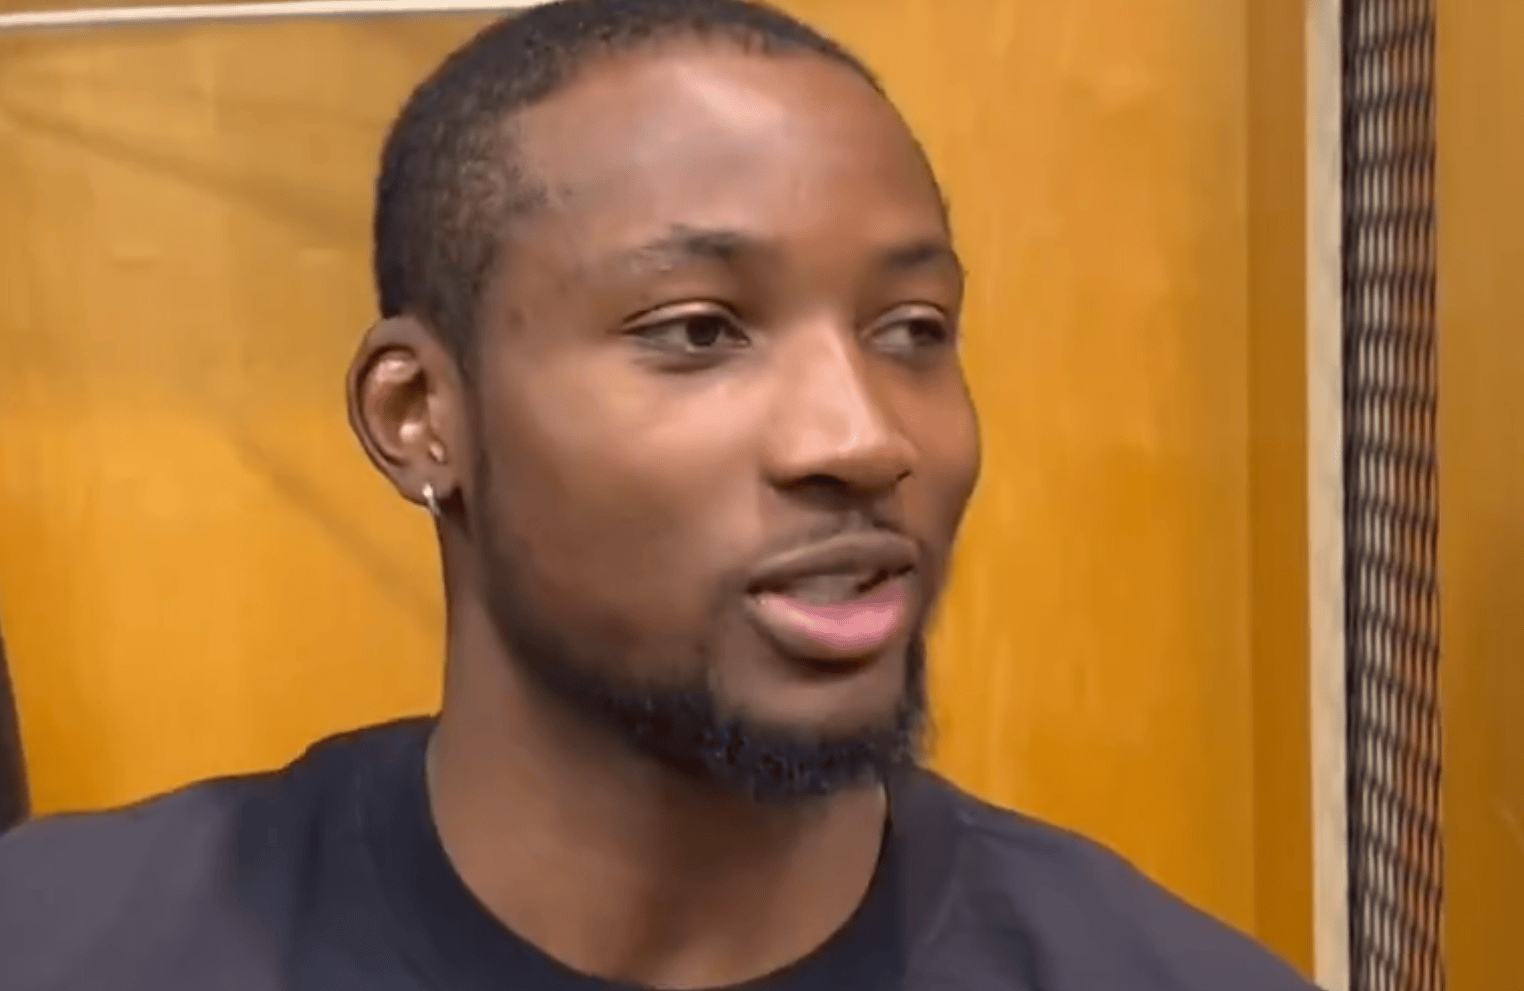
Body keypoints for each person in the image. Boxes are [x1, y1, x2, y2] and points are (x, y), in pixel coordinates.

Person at [0, 2, 1320, 989]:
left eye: (911, 330)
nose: (863, 438)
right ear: (420, 415)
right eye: (698, 331)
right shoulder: (61, 945)